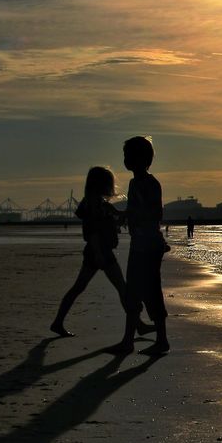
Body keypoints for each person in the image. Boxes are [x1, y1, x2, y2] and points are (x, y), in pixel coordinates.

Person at [50, 166, 155, 338]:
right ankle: (139, 325)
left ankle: (58, 322)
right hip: (100, 252)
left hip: (98, 251)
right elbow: (93, 231)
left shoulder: (97, 203)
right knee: (121, 288)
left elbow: (113, 219)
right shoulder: (94, 204)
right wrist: (98, 253)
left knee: (82, 287)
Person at [108, 136, 169, 355]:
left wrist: (132, 214)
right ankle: (128, 340)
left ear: (141, 159)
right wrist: (121, 215)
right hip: (139, 245)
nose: (125, 160)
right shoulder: (135, 183)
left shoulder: (150, 183)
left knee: (150, 291)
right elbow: (135, 213)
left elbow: (155, 214)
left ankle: (161, 340)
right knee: (133, 291)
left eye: (128, 156)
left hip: (149, 246)